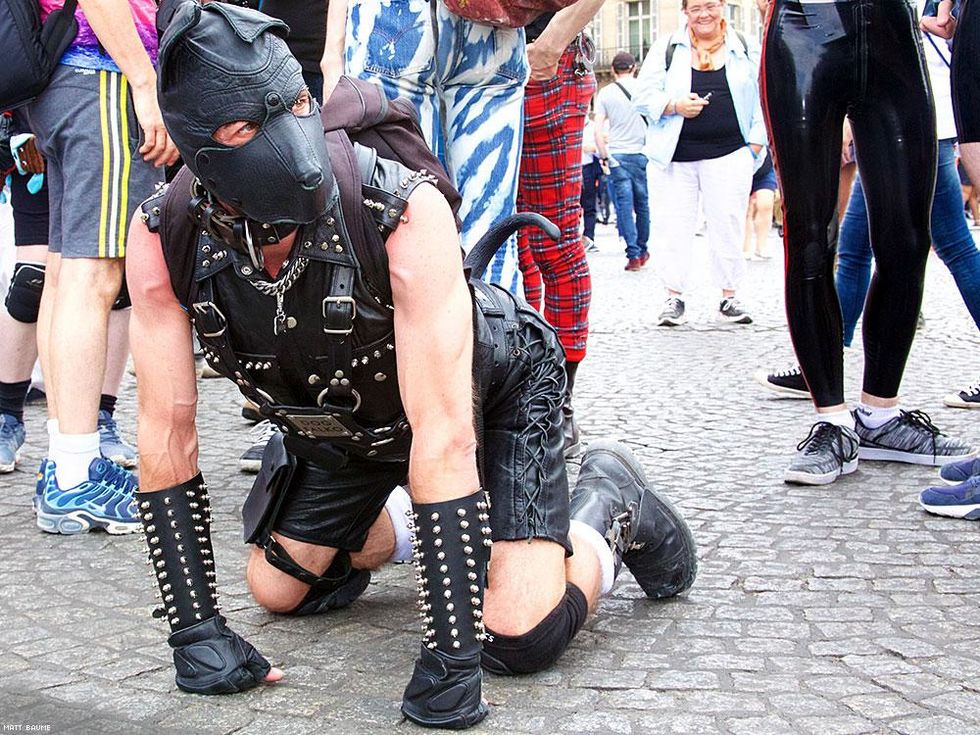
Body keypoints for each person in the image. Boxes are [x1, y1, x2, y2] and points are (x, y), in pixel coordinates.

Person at [128, 3, 697, 728]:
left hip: (492, 388)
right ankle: (420, 523)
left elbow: (447, 432)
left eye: (300, 103)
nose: (293, 137)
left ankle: (609, 502)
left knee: (517, 632)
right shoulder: (163, 233)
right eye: (250, 127)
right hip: (353, 423)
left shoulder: (397, 206)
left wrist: (452, 659)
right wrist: (195, 631)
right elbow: (166, 432)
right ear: (205, 145)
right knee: (278, 587)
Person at [761, 0, 974, 487]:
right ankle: (832, 420)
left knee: (907, 239)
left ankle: (880, 415)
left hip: (893, 31)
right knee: (811, 236)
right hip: (803, 31)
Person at [25, 0, 177, 534]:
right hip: (100, 76)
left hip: (70, 76)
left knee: (68, 273)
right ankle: (73, 475)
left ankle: (67, 460)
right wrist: (143, 81)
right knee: (94, 276)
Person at [323, 0, 527, 293]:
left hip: (392, 20)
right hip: (495, 29)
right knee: (492, 233)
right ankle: (497, 335)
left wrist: (332, 57)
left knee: (400, 224)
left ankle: (409, 336)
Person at [634, 0, 766, 327]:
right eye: (695, 8)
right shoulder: (668, 47)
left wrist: (754, 144)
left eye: (710, 6)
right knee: (673, 227)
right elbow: (643, 95)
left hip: (731, 152)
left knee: (728, 224)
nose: (703, 14)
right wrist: (673, 105)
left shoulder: (746, 46)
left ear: (723, 7)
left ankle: (729, 295)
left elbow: (765, 95)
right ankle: (673, 296)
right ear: (685, 12)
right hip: (675, 156)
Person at [516, 4, 602, 460]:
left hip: (545, 60)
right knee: (505, 246)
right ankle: (514, 387)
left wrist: (552, 42)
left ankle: (557, 399)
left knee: (555, 241)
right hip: (464, 61)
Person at [594, 51, 650, 272]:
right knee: (643, 204)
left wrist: (604, 155)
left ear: (612, 70)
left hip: (617, 154)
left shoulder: (605, 94)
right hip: (642, 153)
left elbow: (598, 130)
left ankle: (633, 254)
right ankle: (644, 249)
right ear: (634, 68)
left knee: (624, 207)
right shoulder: (644, 89)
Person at [742, 148, 776, 260]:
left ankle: (761, 246)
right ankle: (744, 247)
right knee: (745, 209)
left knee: (766, 204)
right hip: (742, 165)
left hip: (765, 168)